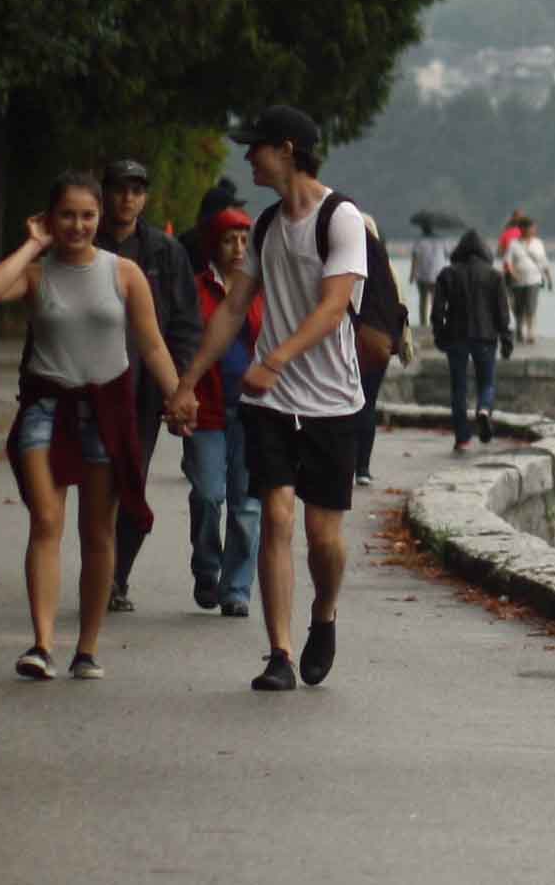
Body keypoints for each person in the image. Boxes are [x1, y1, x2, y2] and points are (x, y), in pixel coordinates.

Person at [171, 105, 369, 693]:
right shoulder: (263, 226)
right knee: (276, 514)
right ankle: (279, 652)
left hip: (333, 400)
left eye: (256, 146)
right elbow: (234, 308)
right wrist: (187, 381)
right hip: (273, 403)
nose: (247, 156)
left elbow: (335, 306)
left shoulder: (342, 218)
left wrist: (278, 357)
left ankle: (324, 613)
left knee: (324, 538)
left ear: (286, 148)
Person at [0, 173, 182, 680]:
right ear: (51, 219)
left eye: (87, 215)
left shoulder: (125, 273)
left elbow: (152, 343)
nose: (77, 225)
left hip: (106, 409)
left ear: (99, 218)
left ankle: (87, 648)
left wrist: (181, 395)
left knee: (98, 531)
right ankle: (43, 643)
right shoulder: (38, 271)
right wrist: (32, 244)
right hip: (47, 404)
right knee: (46, 519)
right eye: (66, 215)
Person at [93, 158, 197, 615]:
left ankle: (116, 576)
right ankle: (96, 570)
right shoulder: (84, 241)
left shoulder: (165, 252)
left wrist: (180, 386)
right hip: (87, 384)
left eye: (137, 189)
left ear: (145, 197)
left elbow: (185, 324)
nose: (127, 198)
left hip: (142, 389)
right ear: (105, 192)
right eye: (119, 188)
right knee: (95, 485)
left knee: (129, 482)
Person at [180, 207, 263, 617]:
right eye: (230, 240)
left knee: (248, 503)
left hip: (255, 412)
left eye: (246, 240)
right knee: (209, 495)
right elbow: (179, 342)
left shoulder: (264, 292)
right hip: (207, 409)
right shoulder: (195, 291)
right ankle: (207, 566)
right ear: (214, 244)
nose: (239, 248)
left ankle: (237, 587)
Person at [427, 230, 510, 449]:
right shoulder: (494, 276)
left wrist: (439, 333)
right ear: (484, 252)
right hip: (486, 337)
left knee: (459, 388)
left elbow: (437, 311)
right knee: (487, 382)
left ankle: (462, 438)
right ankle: (483, 409)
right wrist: (507, 338)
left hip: (456, 336)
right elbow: (502, 312)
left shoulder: (447, 274)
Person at [495, 211, 549, 339]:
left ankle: (530, 332)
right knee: (517, 306)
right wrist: (512, 272)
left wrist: (548, 276)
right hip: (515, 279)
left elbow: (543, 260)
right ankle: (520, 327)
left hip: (534, 279)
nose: (533, 229)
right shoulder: (510, 238)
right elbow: (503, 256)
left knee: (531, 305)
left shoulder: (538, 242)